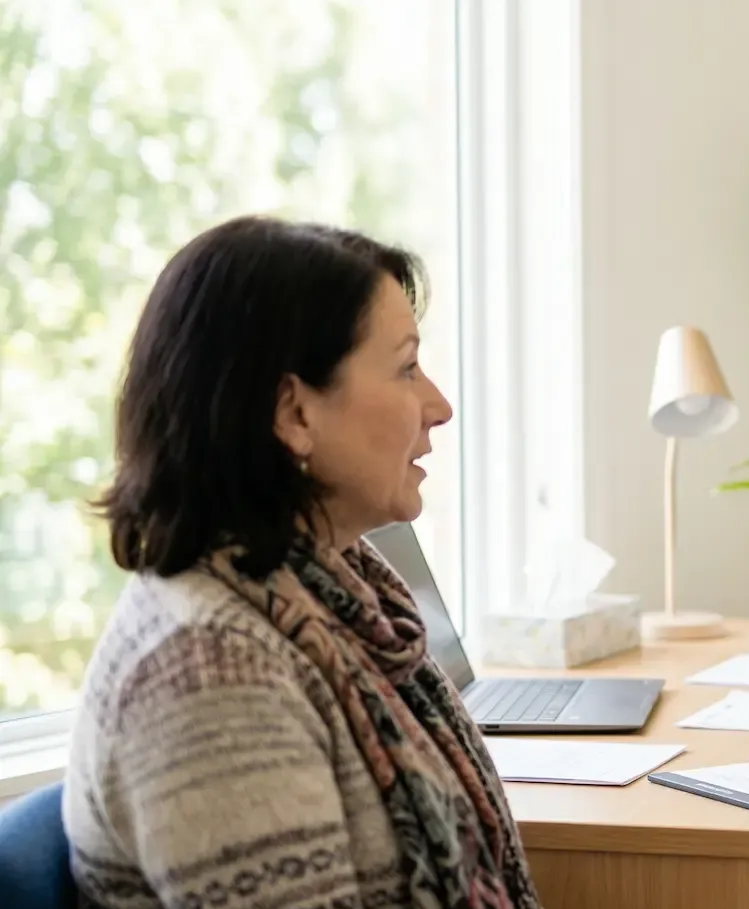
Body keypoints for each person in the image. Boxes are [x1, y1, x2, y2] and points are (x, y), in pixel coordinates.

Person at [63, 216, 542, 909]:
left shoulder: (336, 602)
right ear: (294, 412)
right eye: (406, 367)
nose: (438, 405)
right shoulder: (210, 674)